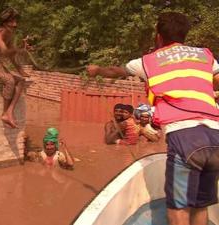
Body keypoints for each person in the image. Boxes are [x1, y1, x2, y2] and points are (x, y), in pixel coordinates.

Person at [87, 12, 219, 225]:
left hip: (185, 137)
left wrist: (96, 70)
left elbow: (115, 70)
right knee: (200, 204)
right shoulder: (204, 55)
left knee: (179, 208)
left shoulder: (149, 61)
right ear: (185, 34)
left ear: (158, 36)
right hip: (215, 135)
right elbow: (215, 78)